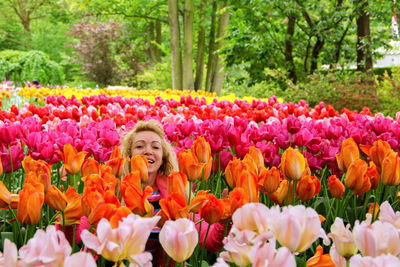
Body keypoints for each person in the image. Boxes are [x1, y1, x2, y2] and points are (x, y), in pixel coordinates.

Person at [119, 119, 228, 266]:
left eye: (155, 147)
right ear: (129, 155)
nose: (148, 151)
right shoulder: (116, 189)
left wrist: (224, 217)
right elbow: (84, 229)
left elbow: (209, 242)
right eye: (139, 146)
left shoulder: (174, 192)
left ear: (163, 157)